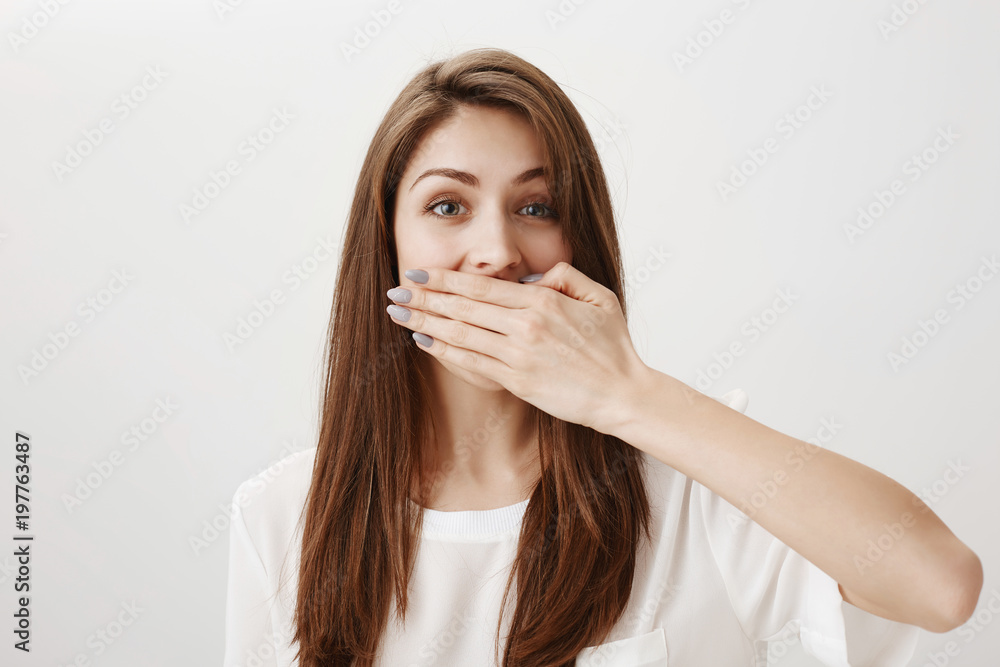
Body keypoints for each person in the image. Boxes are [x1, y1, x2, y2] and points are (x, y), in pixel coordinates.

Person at [223, 47, 982, 667]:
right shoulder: (281, 517)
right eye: (448, 205)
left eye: (536, 207)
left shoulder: (691, 488)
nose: (495, 252)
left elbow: (942, 585)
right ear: (385, 247)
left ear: (577, 241)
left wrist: (628, 395)